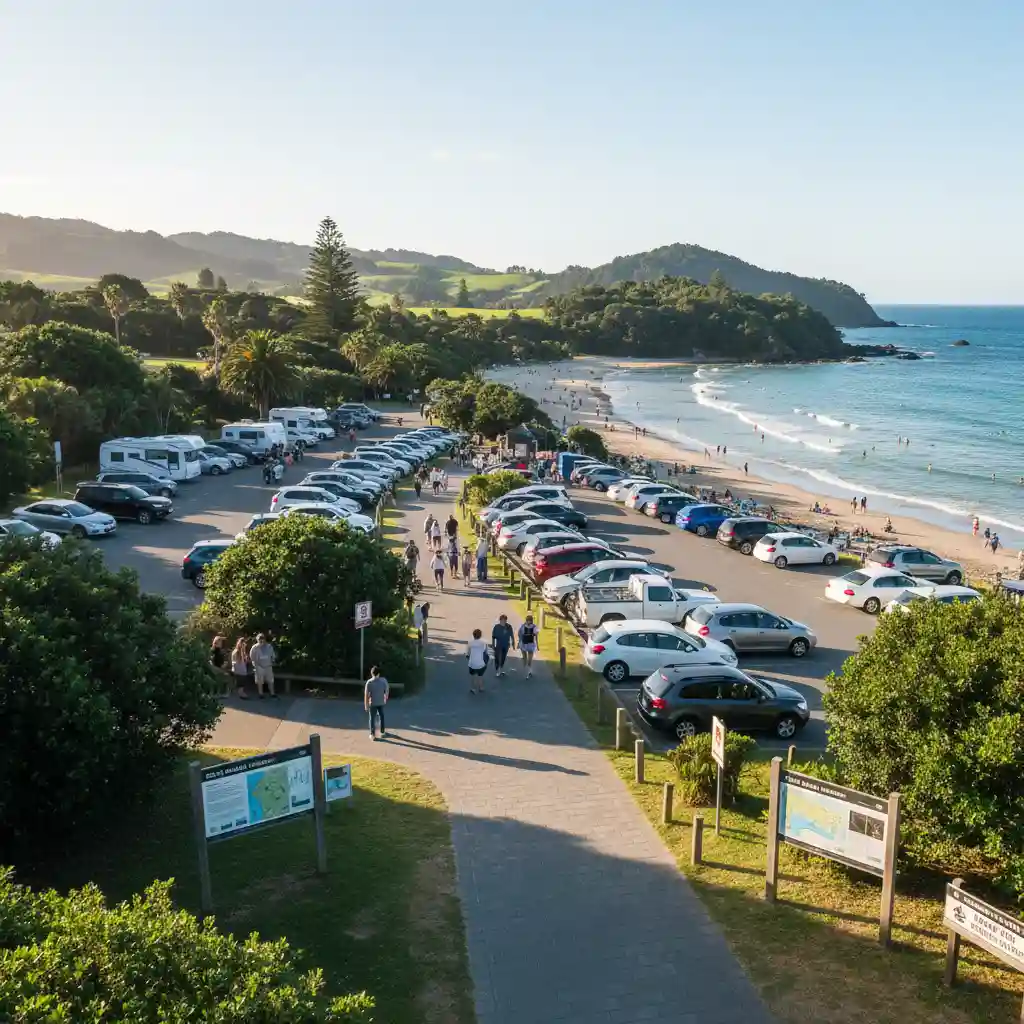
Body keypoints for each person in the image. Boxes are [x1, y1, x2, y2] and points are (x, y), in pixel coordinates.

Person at [364, 665, 389, 740]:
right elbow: (387, 690)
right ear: (378, 674)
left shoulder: (369, 682)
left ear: (372, 673)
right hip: (381, 702)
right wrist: (386, 698)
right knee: (382, 716)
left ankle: (372, 734)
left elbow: (366, 695)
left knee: (372, 718)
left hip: (373, 703)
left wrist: (366, 705)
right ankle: (382, 732)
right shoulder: (383, 680)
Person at [248, 633, 276, 699]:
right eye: (259, 640)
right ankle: (261, 694)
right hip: (259, 667)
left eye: (262, 639)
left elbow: (273, 656)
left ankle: (272, 693)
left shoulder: (269, 646)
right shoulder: (254, 647)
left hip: (268, 666)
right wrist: (255, 664)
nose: (261, 641)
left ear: (264, 639)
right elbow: (251, 657)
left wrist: (272, 661)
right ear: (257, 640)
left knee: (270, 680)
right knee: (260, 681)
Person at [466, 628, 489, 693]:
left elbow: (468, 653)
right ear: (480, 635)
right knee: (480, 676)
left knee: (473, 676)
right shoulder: (484, 643)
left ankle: (473, 688)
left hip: (472, 663)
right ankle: (481, 687)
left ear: (473, 635)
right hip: (481, 663)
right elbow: (486, 652)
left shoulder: (470, 642)